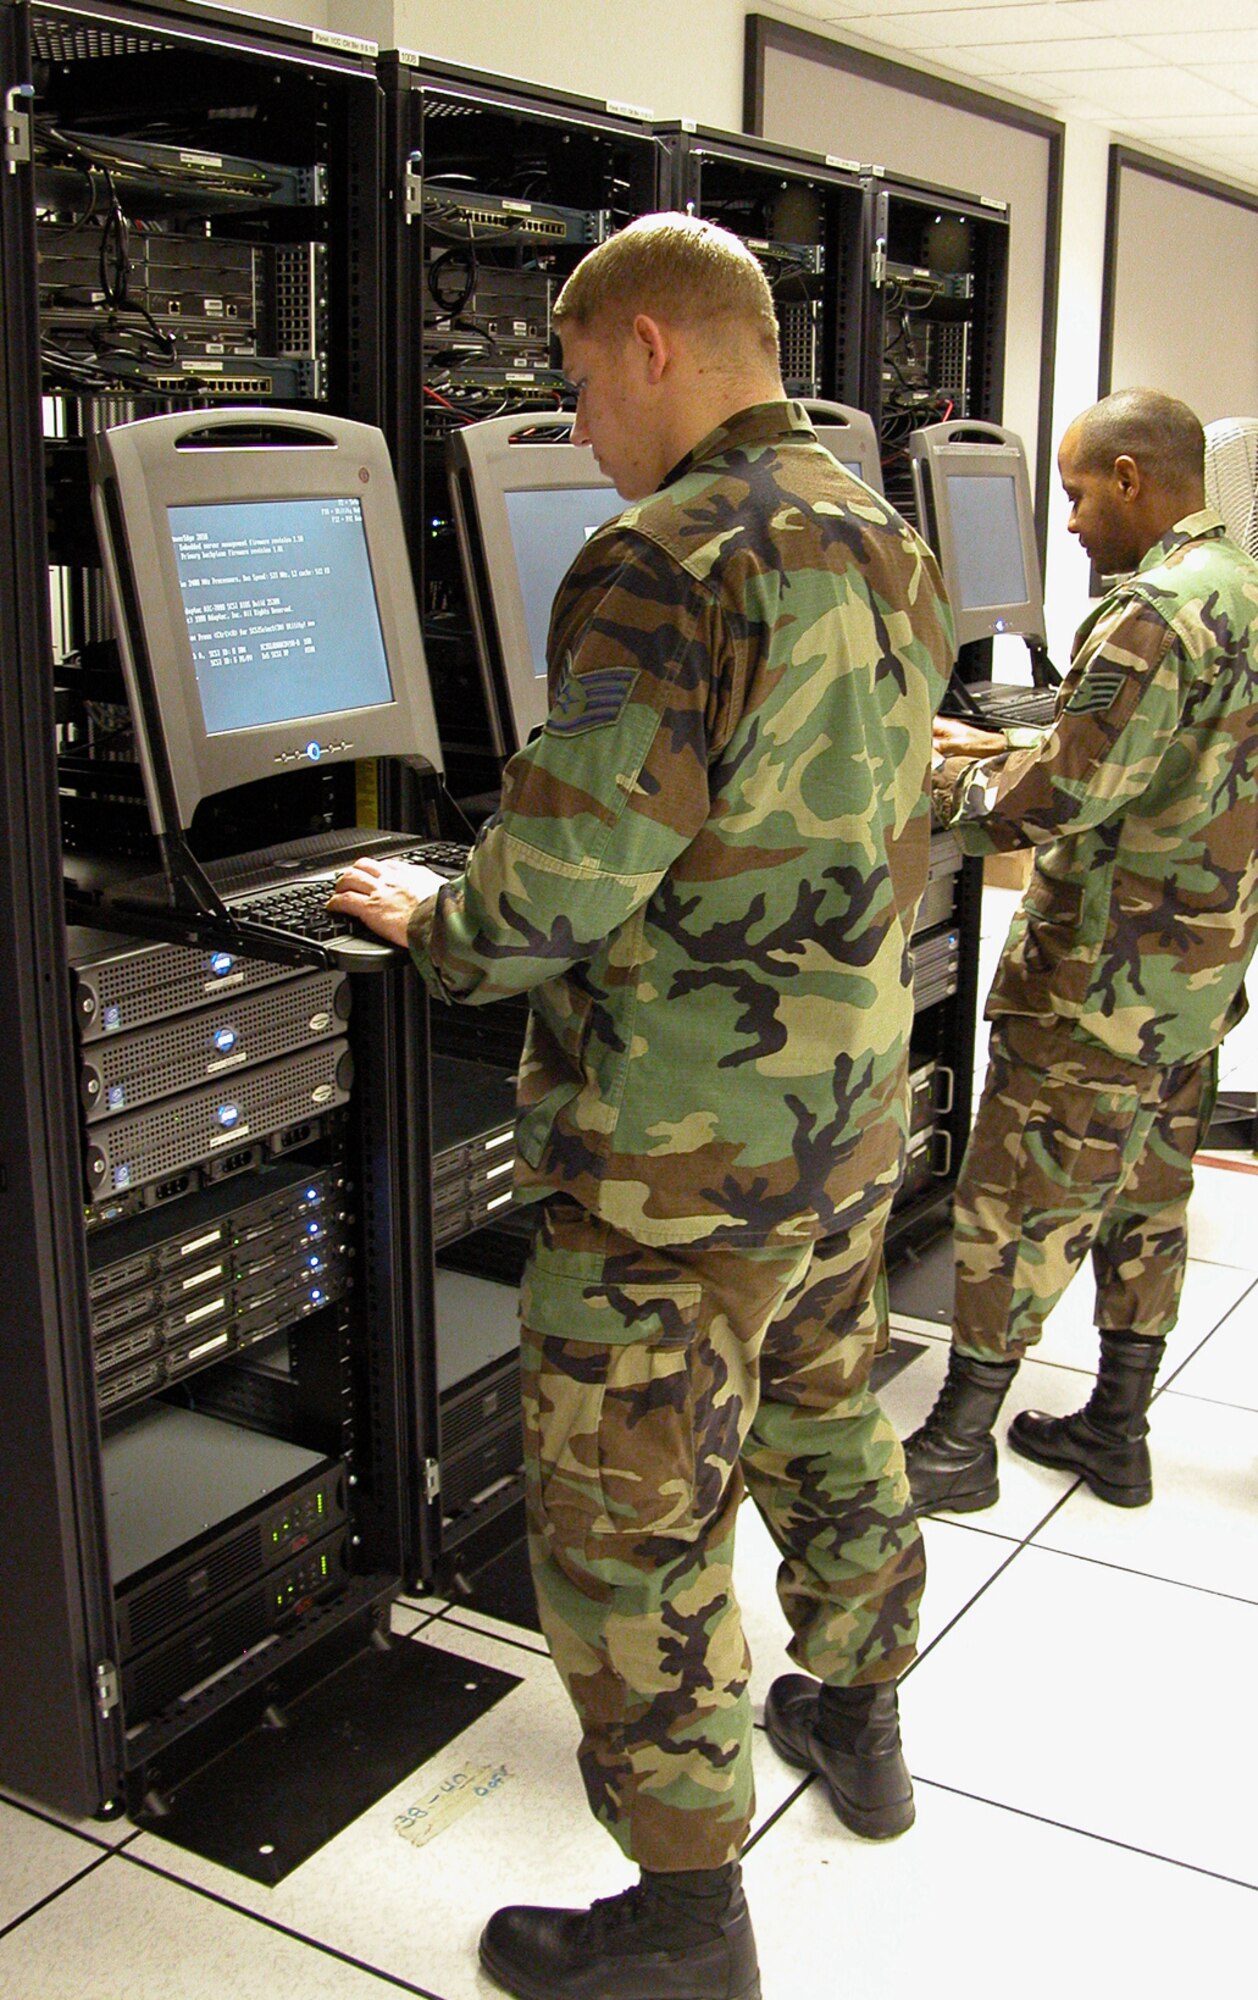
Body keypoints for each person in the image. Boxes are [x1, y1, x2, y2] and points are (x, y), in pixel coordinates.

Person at [329, 212, 953, 2000]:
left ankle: (685, 1923)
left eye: (581, 377)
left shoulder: (659, 555)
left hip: (673, 1164)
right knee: (827, 1423)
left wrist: (427, 927)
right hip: (838, 1114)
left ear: (657, 345)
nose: (576, 416)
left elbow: (548, 895)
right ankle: (858, 1719)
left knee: (627, 1526)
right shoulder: (875, 527)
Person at [904, 386, 1258, 1520]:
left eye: (1071, 493)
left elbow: (1051, 804)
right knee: (1146, 1199)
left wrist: (935, 774)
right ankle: (1116, 1426)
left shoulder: (1151, 609)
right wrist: (1012, 737)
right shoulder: (1241, 586)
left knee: (1016, 1198)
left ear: (1129, 479)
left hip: (1100, 975)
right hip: (1192, 974)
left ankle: (958, 1439)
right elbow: (1173, 752)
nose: (1065, 520)